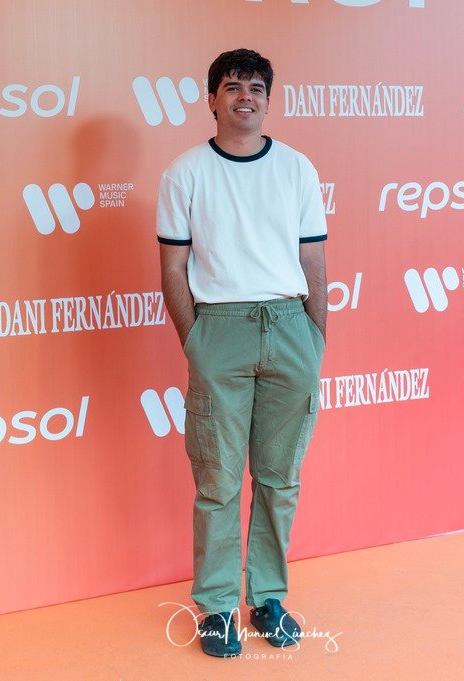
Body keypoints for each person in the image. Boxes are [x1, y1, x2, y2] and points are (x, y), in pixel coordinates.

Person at [156, 48, 328, 658]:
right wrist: (196, 341)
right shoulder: (184, 173)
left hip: (290, 325)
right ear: (212, 99)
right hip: (219, 329)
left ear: (268, 99)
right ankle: (217, 606)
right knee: (219, 480)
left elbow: (313, 259)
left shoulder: (297, 169)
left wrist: (315, 337)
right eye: (232, 87)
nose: (245, 97)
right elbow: (172, 267)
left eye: (256, 88)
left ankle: (268, 598)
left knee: (280, 478)